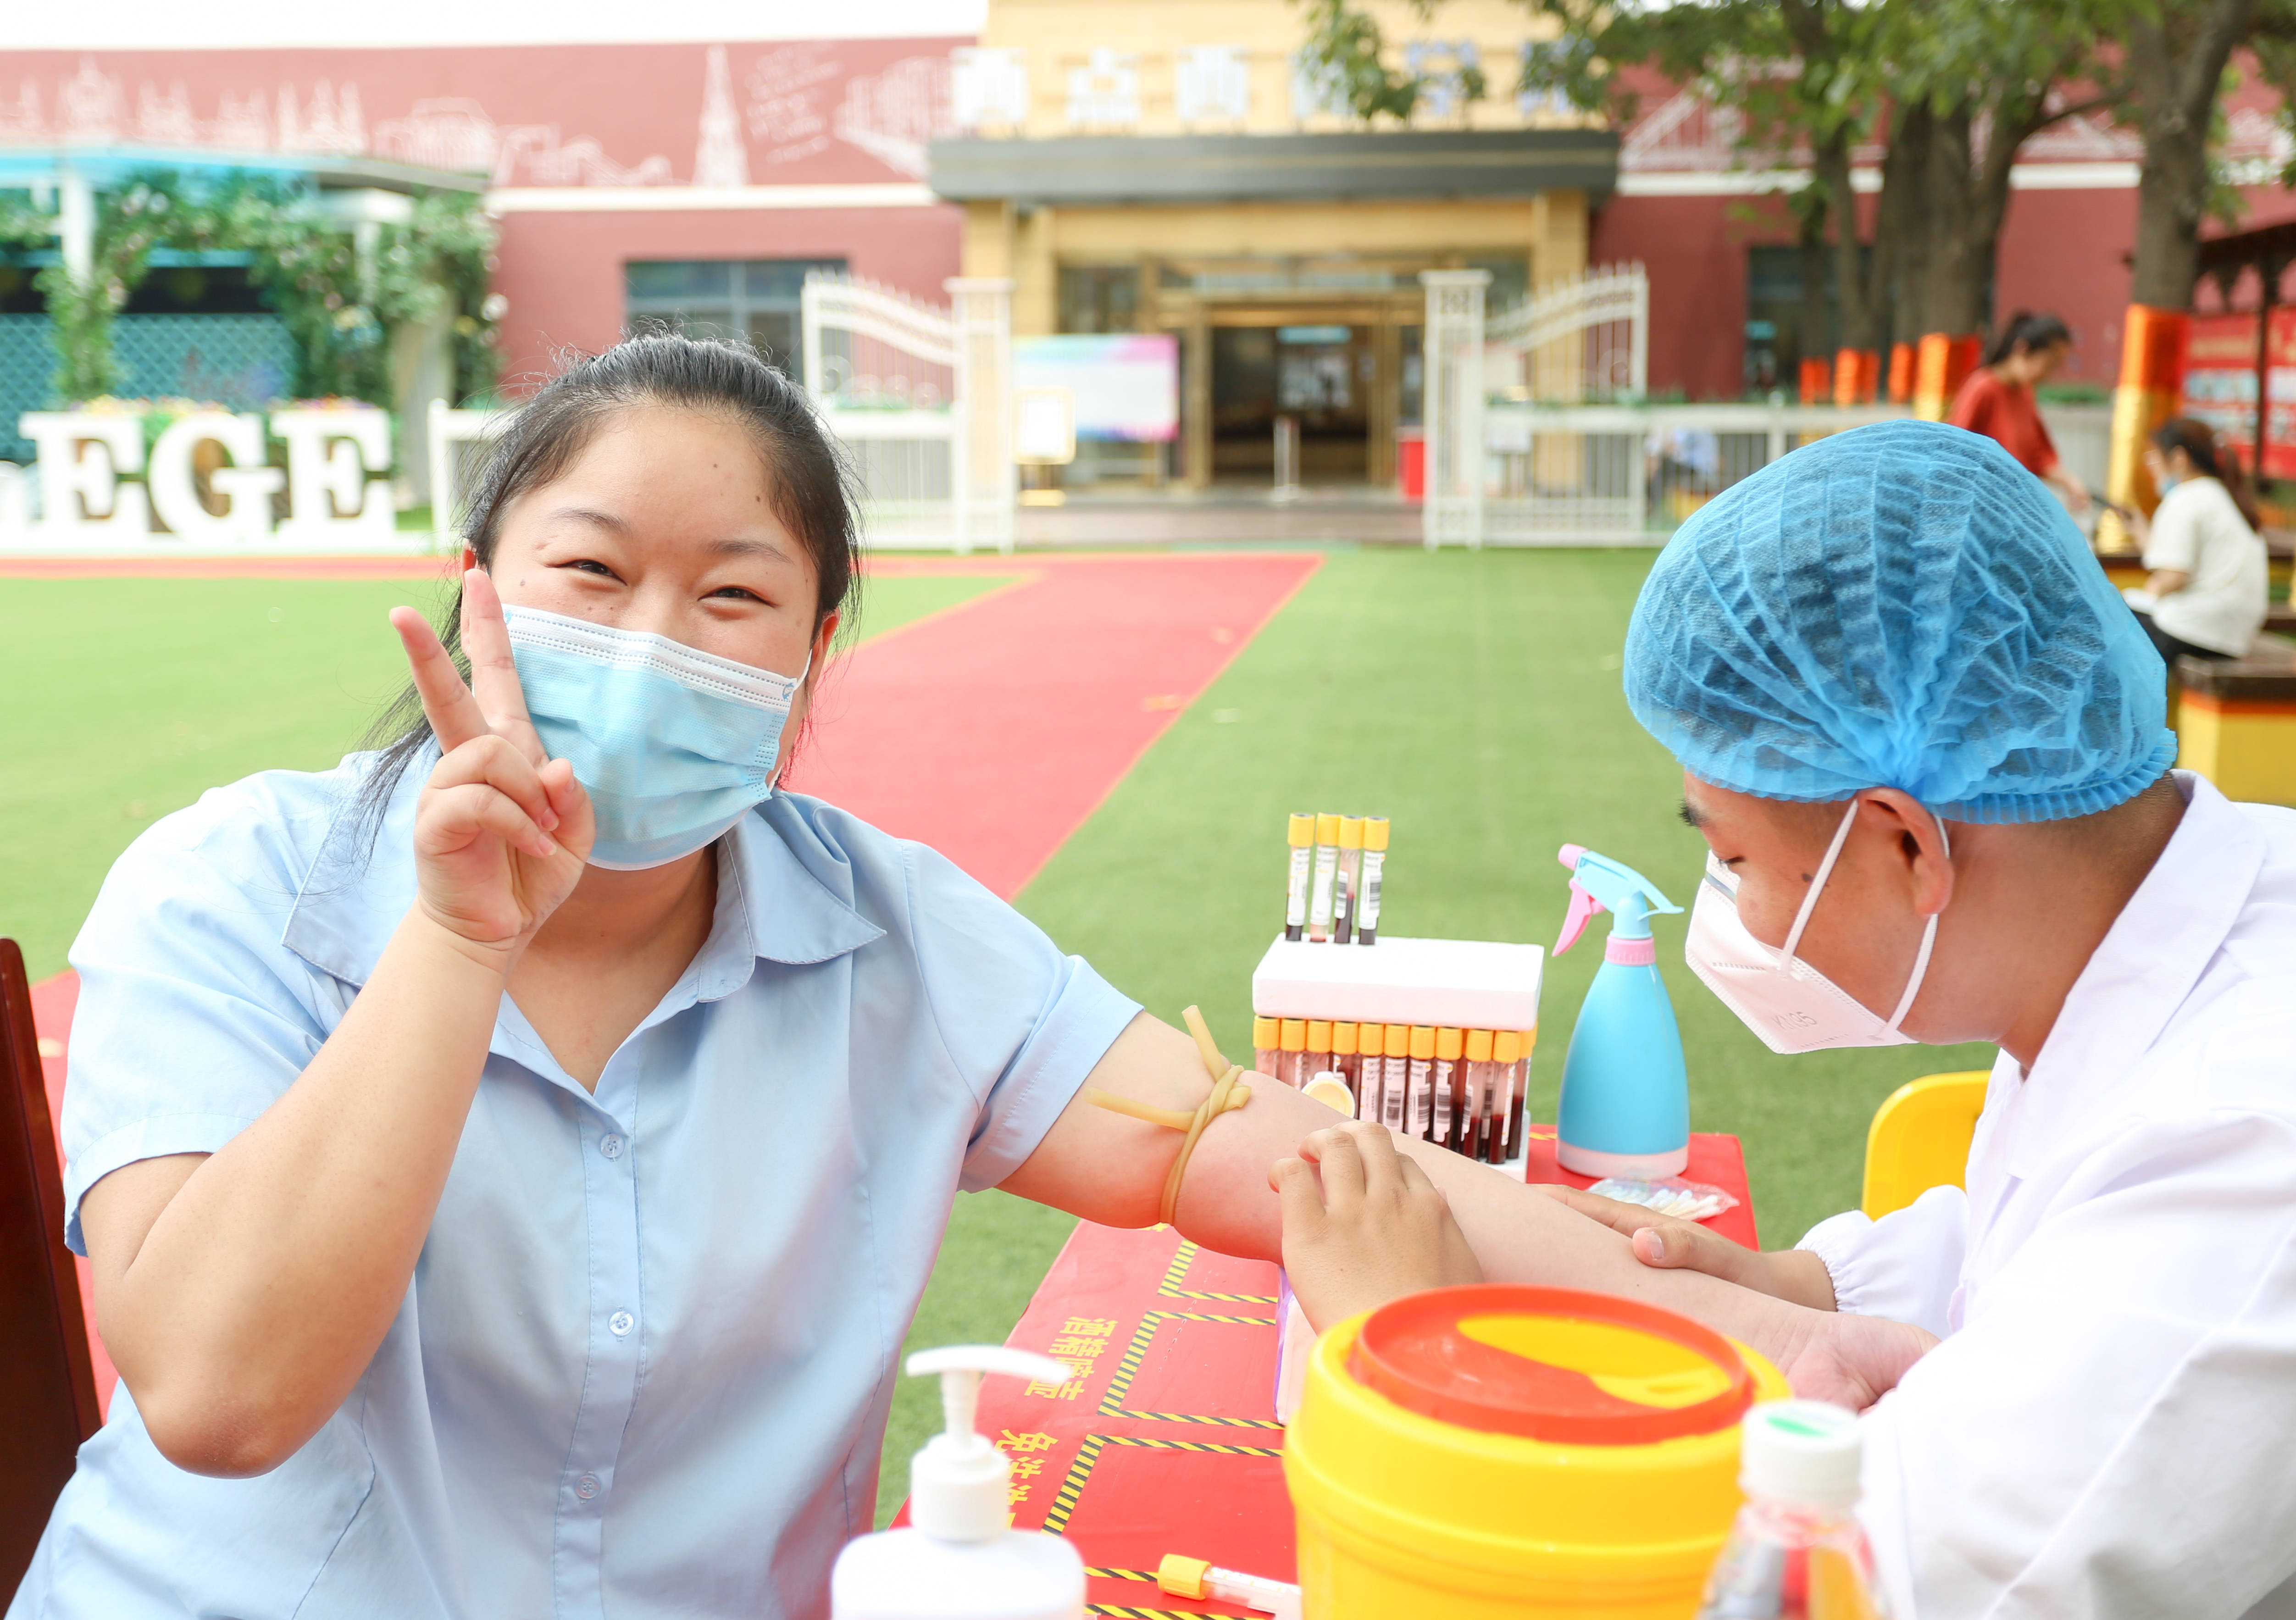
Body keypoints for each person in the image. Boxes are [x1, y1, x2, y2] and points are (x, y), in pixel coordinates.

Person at [15, 333, 1911, 1620]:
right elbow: (221, 1393)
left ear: (817, 646)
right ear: (478, 589)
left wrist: (1801, 1353)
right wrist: (456, 937)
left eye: (734, 595)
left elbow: (1255, 1152)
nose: (658, 642)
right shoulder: (239, 889)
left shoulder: (888, 937)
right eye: (591, 576)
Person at [1278, 420, 2296, 1618]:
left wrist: (1411, 1347)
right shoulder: (2213, 899)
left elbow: (1822, 1589)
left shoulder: (2255, 1171)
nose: (1731, 910)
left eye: (1733, 857)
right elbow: (2049, 1232)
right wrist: (1810, 1282)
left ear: (1901, 841)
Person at [2121, 415, 2269, 666]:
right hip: (2232, 636)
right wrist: (2142, 534)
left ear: (2179, 459)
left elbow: (2173, 577)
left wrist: (2154, 590)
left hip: (2193, 632)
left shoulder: (2184, 498)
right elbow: (2177, 561)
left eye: (2154, 458)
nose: (2152, 469)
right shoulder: (2222, 495)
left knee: (2106, 617)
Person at [1945, 311, 2090, 510]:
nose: (2048, 375)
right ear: (2022, 350)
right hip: (1983, 506)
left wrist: (2070, 482)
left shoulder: (2025, 393)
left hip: (2012, 507)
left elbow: (2037, 455)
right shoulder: (1983, 388)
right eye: (2048, 365)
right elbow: (1956, 451)